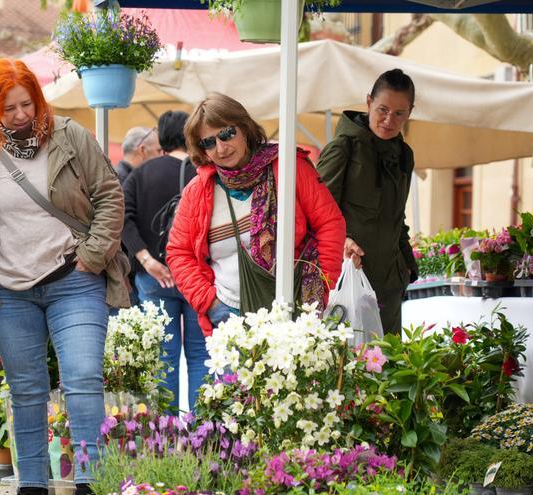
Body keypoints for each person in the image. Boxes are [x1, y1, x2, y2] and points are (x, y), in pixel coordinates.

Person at [0, 58, 129, 495]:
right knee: (27, 389)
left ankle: (87, 481)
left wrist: (92, 255)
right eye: (8, 109)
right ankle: (31, 485)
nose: (21, 115)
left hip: (74, 279)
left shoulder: (70, 137)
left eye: (27, 104)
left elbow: (109, 194)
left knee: (83, 377)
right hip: (7, 292)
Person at [166, 92, 345, 335]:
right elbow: (179, 253)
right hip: (231, 319)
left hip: (296, 308)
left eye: (227, 134)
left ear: (244, 128)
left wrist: (322, 290)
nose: (220, 148)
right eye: (208, 142)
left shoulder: (289, 167)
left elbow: (329, 224)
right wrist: (211, 304)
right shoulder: (197, 192)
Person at [316, 68, 418, 335]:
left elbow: (398, 218)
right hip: (349, 278)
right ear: (369, 102)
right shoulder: (343, 148)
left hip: (390, 283)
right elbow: (317, 213)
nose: (389, 119)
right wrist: (343, 241)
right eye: (383, 109)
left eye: (399, 113)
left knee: (390, 367)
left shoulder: (404, 155)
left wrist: (407, 266)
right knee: (349, 367)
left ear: (410, 112)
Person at [121, 110, 208, 412]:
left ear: (161, 137)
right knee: (200, 355)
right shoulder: (204, 172)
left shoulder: (140, 174)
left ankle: (167, 436)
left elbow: (122, 218)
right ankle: (202, 433)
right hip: (197, 278)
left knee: (164, 358)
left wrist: (145, 260)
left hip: (155, 278)